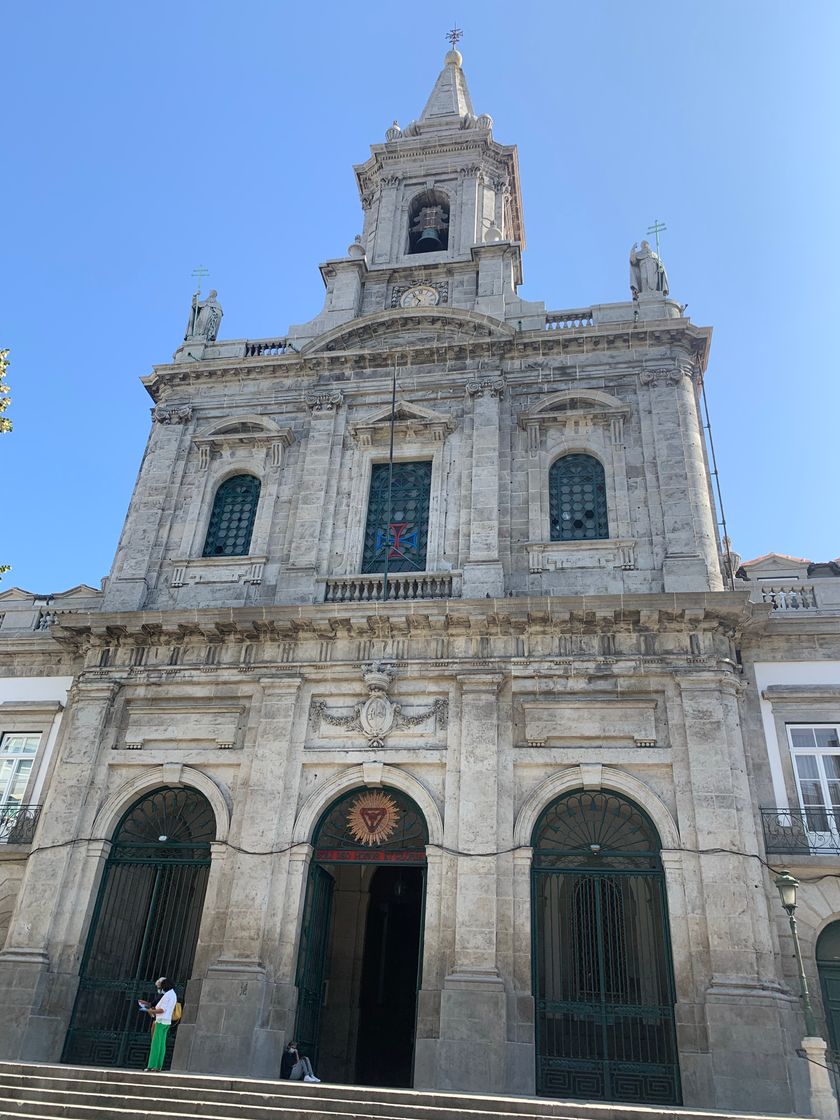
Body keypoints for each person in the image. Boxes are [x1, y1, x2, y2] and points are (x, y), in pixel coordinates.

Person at [139, 977, 177, 1072]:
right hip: (166, 1021)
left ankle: (152, 1065)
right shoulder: (173, 994)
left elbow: (162, 1010)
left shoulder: (167, 995)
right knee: (161, 1044)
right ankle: (158, 1066)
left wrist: (150, 1010)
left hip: (160, 1021)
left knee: (156, 1044)